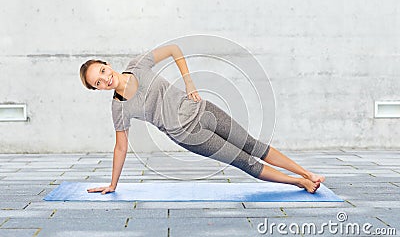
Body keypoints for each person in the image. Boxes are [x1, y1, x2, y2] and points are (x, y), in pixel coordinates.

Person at [79, 44, 325, 195]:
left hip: (204, 109)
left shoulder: (138, 65)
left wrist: (188, 82)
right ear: (97, 89)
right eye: (97, 83)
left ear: (107, 64)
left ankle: (308, 173)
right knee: (244, 161)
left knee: (252, 145)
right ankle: (299, 183)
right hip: (189, 135)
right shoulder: (119, 108)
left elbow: (174, 48)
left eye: (102, 71)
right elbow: (121, 147)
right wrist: (113, 185)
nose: (104, 79)